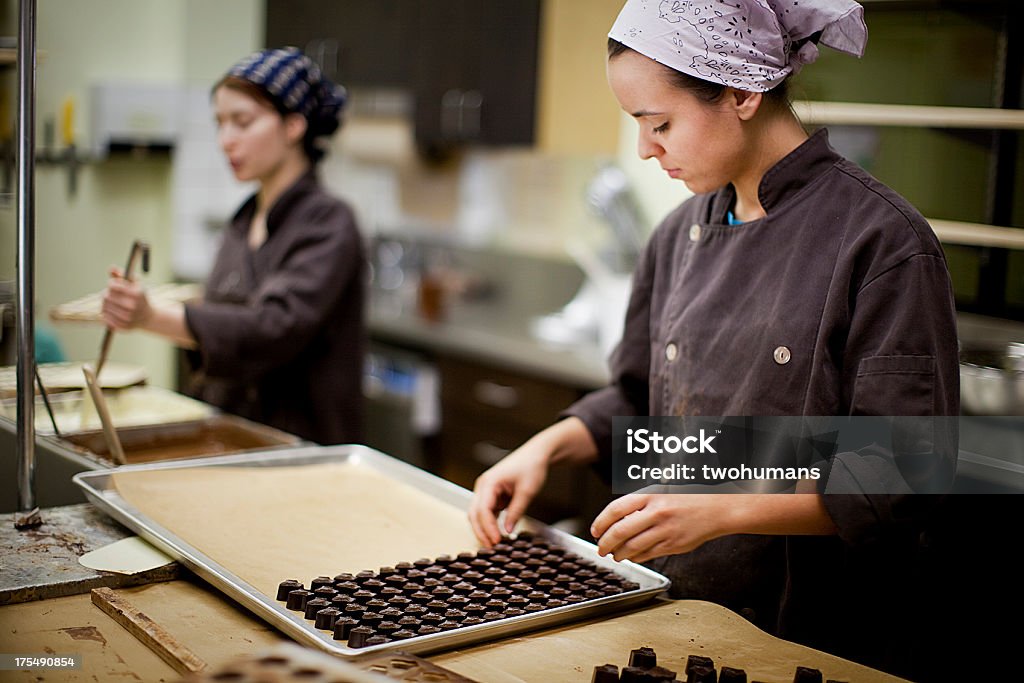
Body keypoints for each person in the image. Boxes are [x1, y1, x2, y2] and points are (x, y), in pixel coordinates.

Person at [468, 0, 959, 678]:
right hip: (674, 607)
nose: (646, 148)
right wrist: (545, 446)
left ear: (741, 91)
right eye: (637, 126)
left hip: (808, 634)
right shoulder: (677, 236)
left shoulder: (883, 243)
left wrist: (718, 507)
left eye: (660, 123)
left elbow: (899, 473)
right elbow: (639, 397)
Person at [101, 47, 365, 445]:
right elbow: (224, 320)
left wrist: (153, 316)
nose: (226, 140)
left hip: (300, 454)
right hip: (233, 439)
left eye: (242, 122)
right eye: (220, 124)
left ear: (294, 126)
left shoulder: (328, 221)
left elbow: (274, 328)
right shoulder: (243, 220)